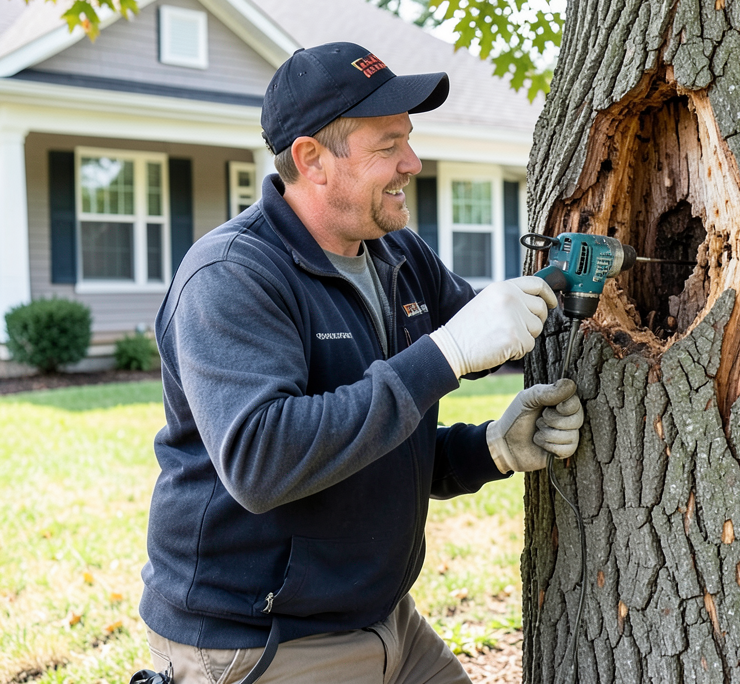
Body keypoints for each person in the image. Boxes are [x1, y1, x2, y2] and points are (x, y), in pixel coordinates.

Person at [139, 42, 584, 684]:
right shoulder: (232, 276)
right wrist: (449, 351)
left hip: (384, 618)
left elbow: (441, 381)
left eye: (408, 138)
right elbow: (263, 462)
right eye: (387, 146)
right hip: (261, 640)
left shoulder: (396, 254)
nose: (413, 161)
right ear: (312, 159)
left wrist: (490, 448)